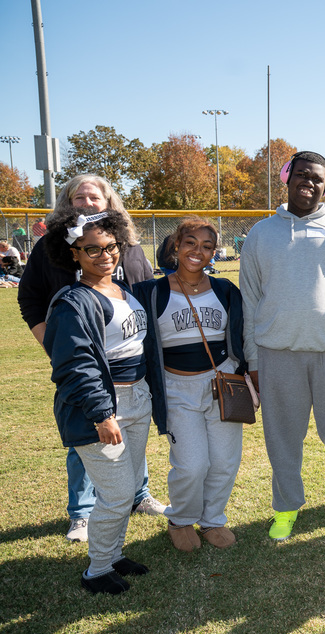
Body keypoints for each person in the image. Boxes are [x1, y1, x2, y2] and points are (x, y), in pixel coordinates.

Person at [240, 151, 325, 540]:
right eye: (301, 175)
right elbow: (249, 301)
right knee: (282, 436)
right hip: (276, 354)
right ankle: (286, 507)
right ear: (287, 178)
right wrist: (253, 358)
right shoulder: (261, 233)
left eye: (317, 178)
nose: (309, 183)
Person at [17, 174, 163, 543]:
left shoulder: (127, 244)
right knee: (90, 436)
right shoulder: (54, 248)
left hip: (130, 367)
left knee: (130, 437)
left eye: (93, 197)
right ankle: (82, 512)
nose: (86, 202)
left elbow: (145, 295)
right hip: (87, 362)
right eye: (78, 197)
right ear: (67, 203)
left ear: (108, 201)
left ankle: (138, 494)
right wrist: (51, 342)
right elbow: (30, 298)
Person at [42, 207, 152, 594]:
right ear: (73, 252)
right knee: (118, 493)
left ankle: (112, 554)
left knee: (128, 485)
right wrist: (103, 414)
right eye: (92, 250)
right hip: (104, 408)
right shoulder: (74, 301)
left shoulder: (122, 289)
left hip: (137, 398)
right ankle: (96, 571)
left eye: (111, 246)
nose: (105, 255)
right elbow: (75, 365)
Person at [135, 218, 249, 552]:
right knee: (191, 464)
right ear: (175, 246)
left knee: (226, 460)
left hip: (221, 384)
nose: (197, 251)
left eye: (207, 246)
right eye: (190, 243)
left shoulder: (225, 290)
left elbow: (241, 336)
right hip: (176, 388)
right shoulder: (151, 292)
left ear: (215, 252)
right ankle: (181, 518)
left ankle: (213, 518)